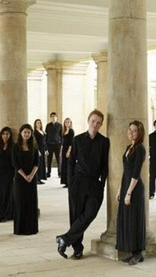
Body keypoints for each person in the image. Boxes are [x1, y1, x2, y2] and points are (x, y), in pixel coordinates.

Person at [56, 109, 109, 259]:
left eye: (98, 123)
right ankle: (77, 249)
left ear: (101, 125)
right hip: (78, 183)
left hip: (94, 184)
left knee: (90, 213)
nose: (95, 124)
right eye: (93, 121)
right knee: (76, 215)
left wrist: (102, 184)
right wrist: (70, 182)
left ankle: (65, 239)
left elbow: (105, 165)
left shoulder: (104, 142)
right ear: (88, 121)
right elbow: (70, 162)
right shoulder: (78, 139)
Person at [116, 121, 146, 265]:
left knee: (134, 220)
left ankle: (138, 253)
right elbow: (125, 171)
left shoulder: (140, 149)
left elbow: (135, 172)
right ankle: (132, 251)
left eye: (134, 130)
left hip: (135, 188)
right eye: (130, 130)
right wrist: (120, 190)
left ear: (139, 133)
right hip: (126, 187)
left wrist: (128, 193)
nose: (131, 132)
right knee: (127, 220)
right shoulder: (129, 147)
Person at [12, 124, 39, 235]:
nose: (26, 134)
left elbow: (37, 163)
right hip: (20, 178)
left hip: (31, 178)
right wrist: (25, 176)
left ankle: (31, 228)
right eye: (25, 132)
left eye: (28, 132)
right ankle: (20, 228)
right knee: (20, 202)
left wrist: (31, 176)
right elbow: (15, 164)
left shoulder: (34, 146)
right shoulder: (15, 147)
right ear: (21, 133)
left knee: (31, 202)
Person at [0, 126, 15, 223]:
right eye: (4, 134)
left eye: (7, 134)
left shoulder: (13, 147)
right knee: (0, 194)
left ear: (10, 135)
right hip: (1, 173)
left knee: (8, 193)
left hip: (10, 172)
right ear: (1, 135)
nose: (5, 136)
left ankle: (7, 215)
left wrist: (15, 175)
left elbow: (15, 162)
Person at [45, 112, 62, 177]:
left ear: (56, 117)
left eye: (54, 116)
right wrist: (46, 147)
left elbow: (61, 135)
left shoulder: (60, 125)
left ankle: (59, 172)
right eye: (52, 116)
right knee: (49, 160)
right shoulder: (48, 125)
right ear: (50, 117)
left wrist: (61, 145)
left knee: (59, 160)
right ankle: (48, 173)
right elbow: (46, 136)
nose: (53, 117)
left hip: (57, 144)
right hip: (49, 145)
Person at [60, 118, 74, 188]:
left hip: (69, 150)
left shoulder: (71, 131)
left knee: (68, 166)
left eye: (68, 122)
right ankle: (65, 182)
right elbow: (62, 142)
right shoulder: (64, 131)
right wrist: (61, 151)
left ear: (70, 123)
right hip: (64, 149)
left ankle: (69, 182)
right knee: (64, 166)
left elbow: (71, 143)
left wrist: (68, 151)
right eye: (66, 122)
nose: (67, 123)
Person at [34, 119, 48, 184]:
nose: (38, 124)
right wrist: (37, 150)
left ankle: (40, 178)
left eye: (39, 123)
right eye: (37, 123)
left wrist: (46, 149)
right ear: (35, 124)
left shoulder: (42, 131)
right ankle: (37, 179)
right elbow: (35, 142)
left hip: (43, 149)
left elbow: (45, 142)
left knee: (42, 164)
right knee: (38, 163)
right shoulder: (35, 132)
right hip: (38, 148)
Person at [149, 120, 156, 199]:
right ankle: (151, 192)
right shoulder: (150, 136)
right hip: (153, 159)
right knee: (152, 176)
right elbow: (148, 147)